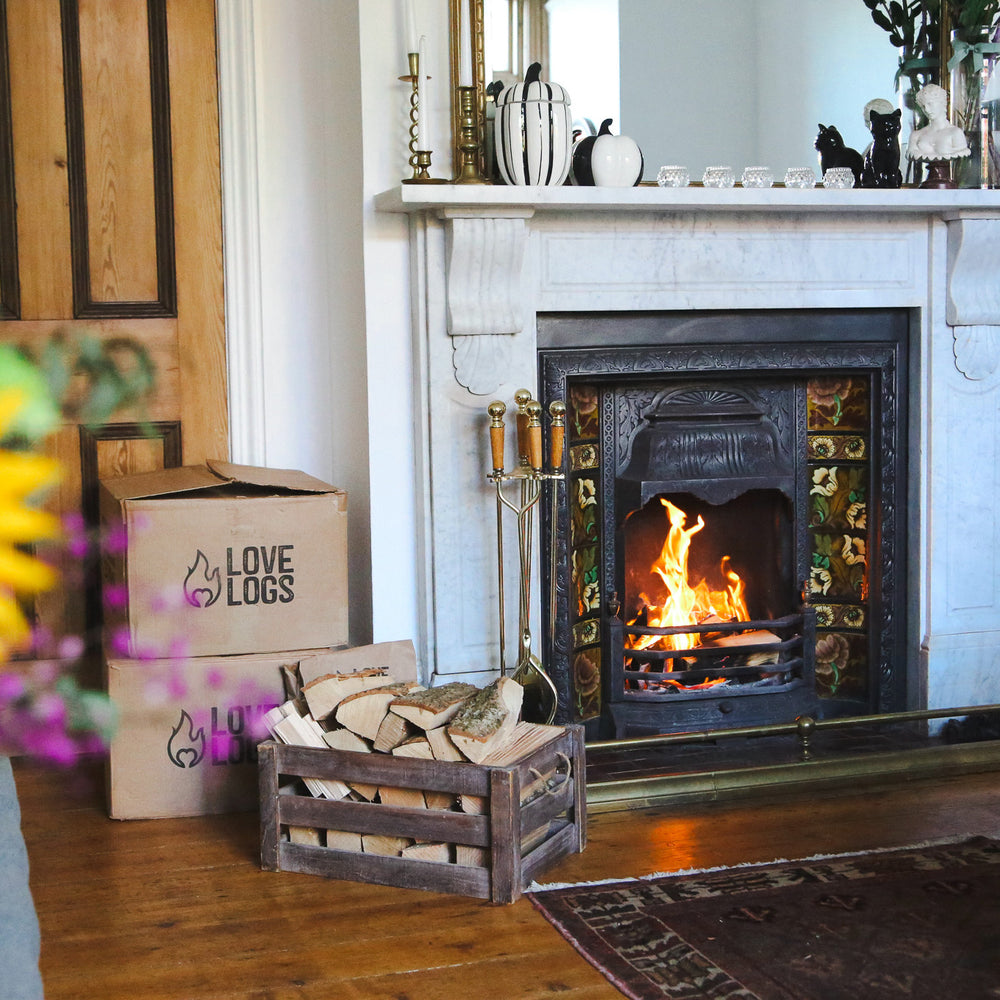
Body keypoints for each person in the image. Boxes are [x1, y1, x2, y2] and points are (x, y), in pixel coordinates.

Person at [907, 84, 971, 161]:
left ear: (942, 102)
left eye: (930, 104)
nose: (927, 110)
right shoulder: (916, 136)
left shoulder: (956, 133)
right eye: (923, 106)